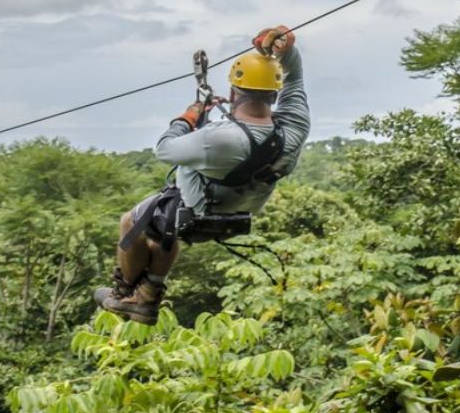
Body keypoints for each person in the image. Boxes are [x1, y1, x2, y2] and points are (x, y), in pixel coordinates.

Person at [93, 25, 311, 324]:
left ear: (234, 92)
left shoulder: (218, 139)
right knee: (163, 232)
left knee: (131, 221)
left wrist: (189, 117)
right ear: (275, 94)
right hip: (244, 208)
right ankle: (148, 294)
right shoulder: (293, 128)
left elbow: (165, 149)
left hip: (201, 206)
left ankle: (124, 294)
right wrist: (287, 52)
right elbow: (295, 79)